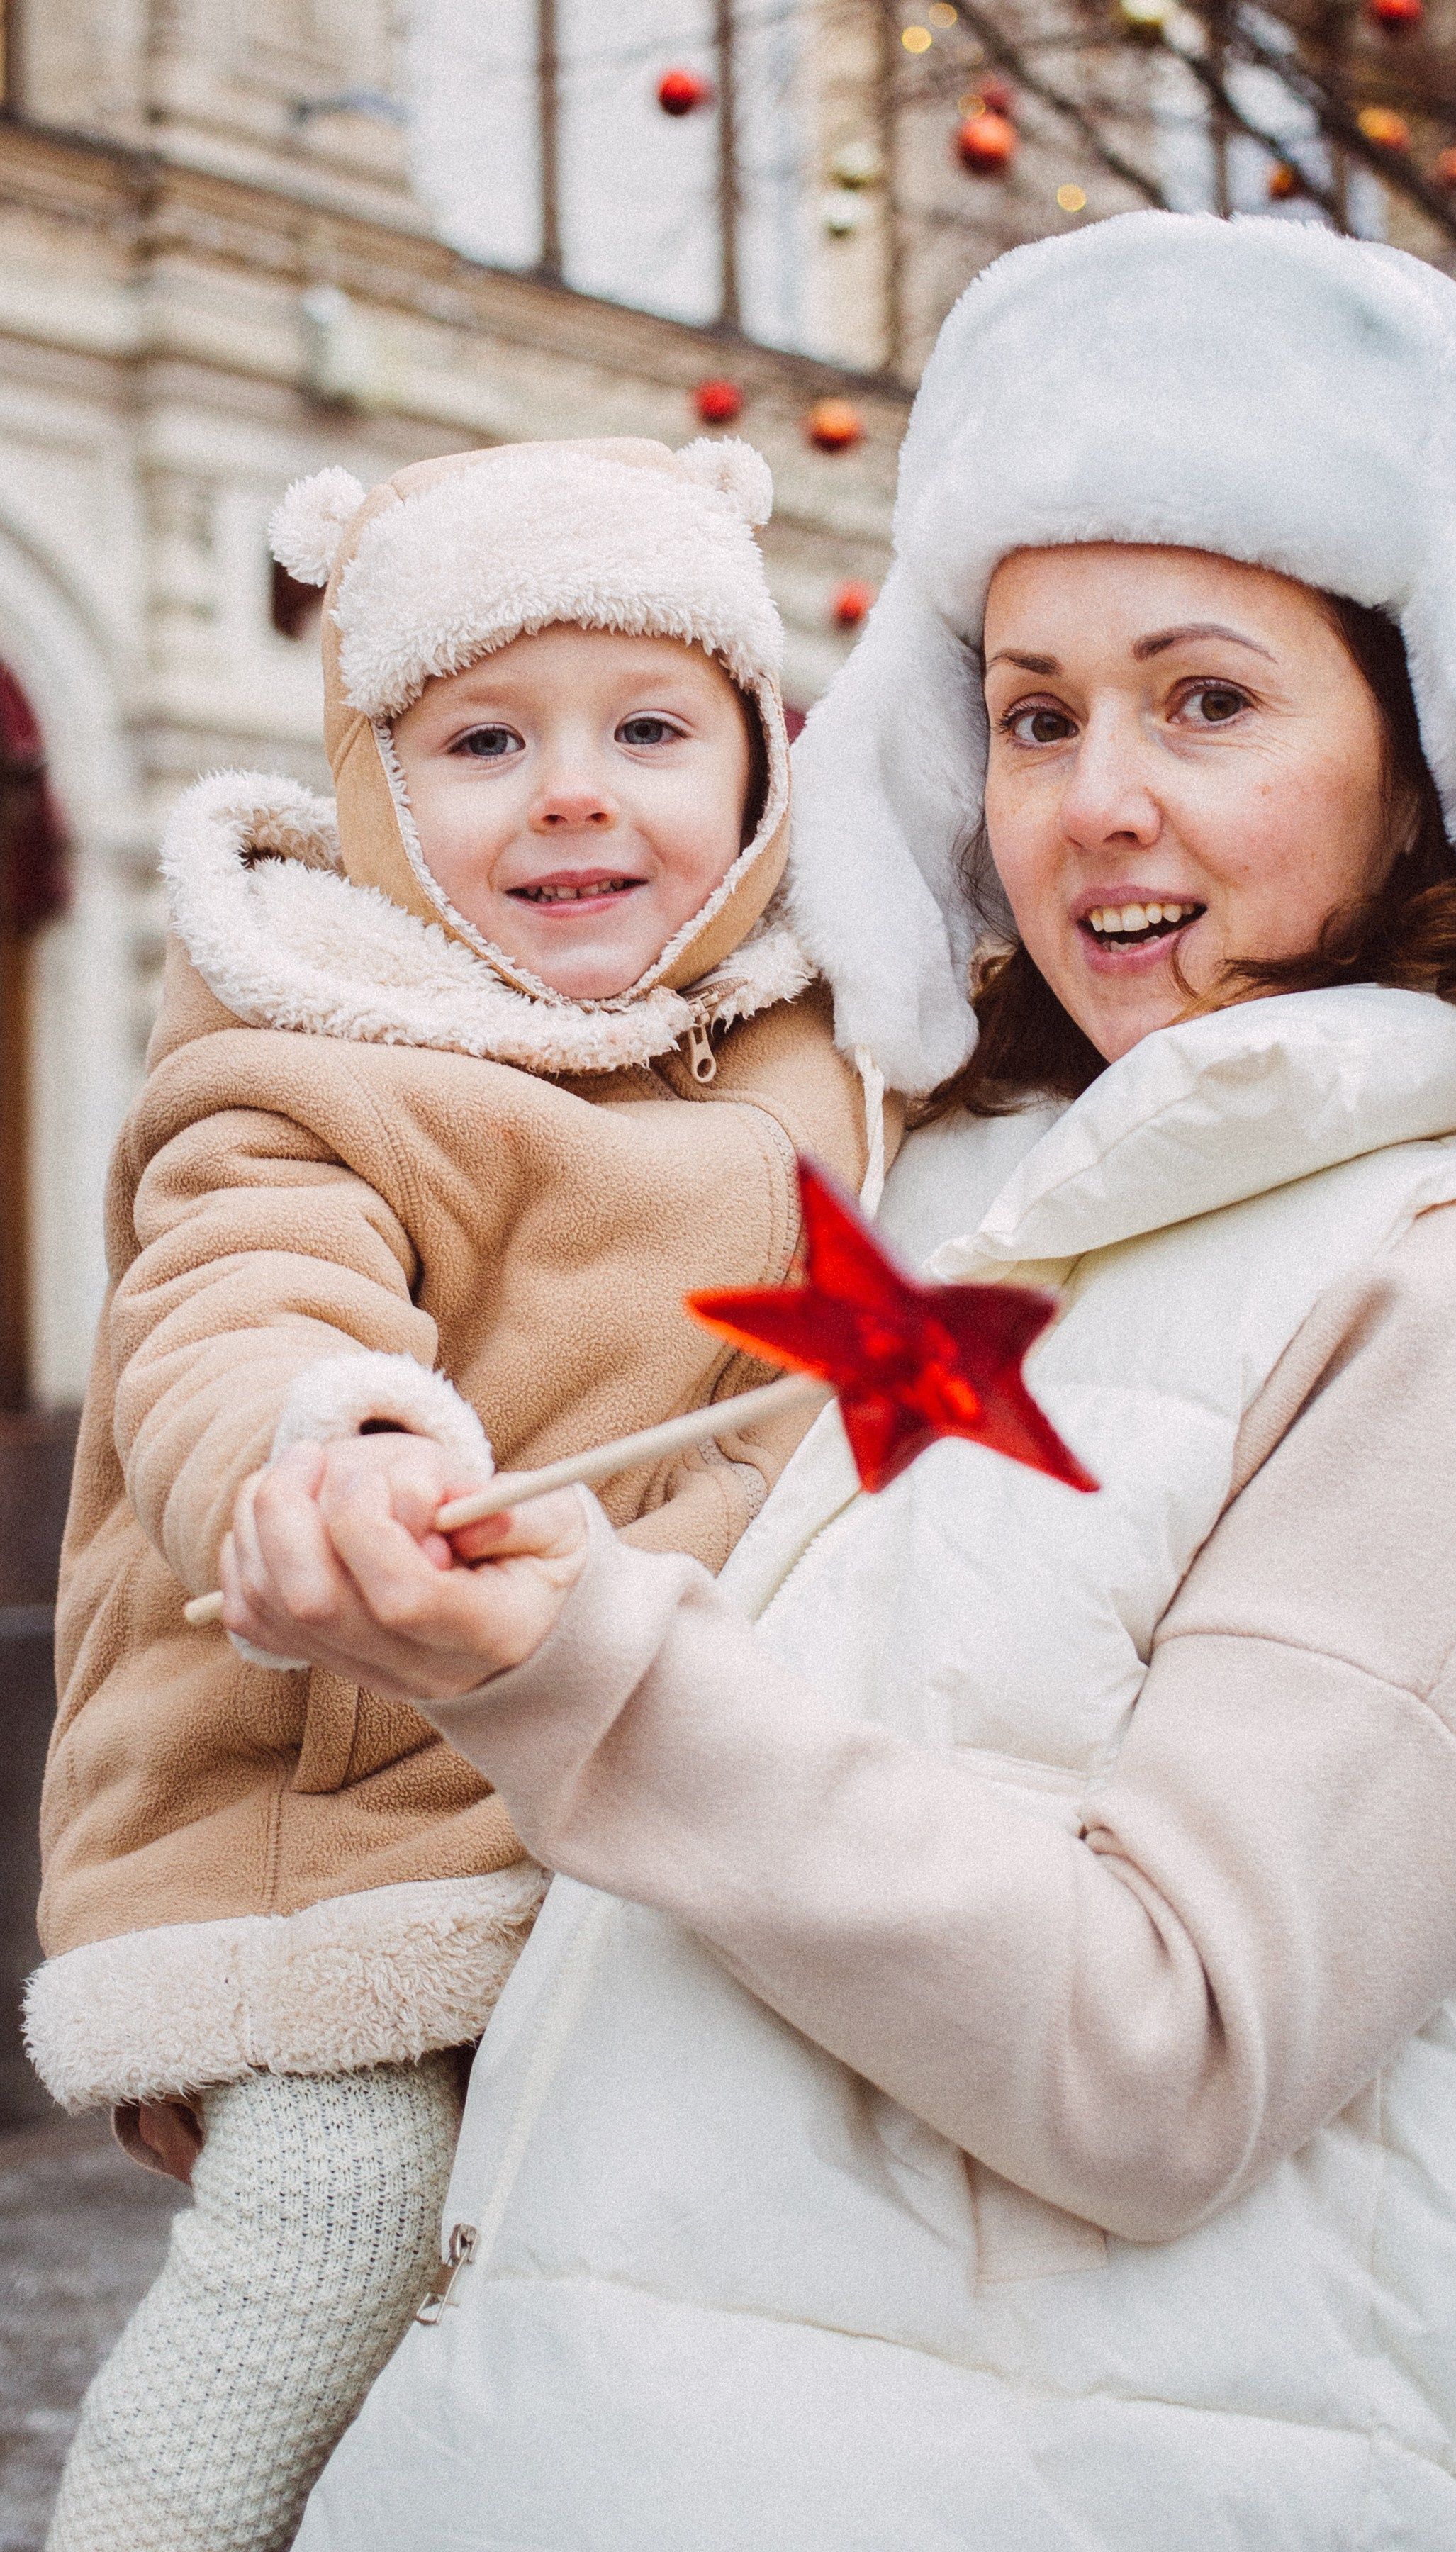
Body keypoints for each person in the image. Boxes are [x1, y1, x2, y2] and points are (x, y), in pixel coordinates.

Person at [252, 217, 1456, 2551]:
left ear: (1427, 759)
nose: (1096, 798)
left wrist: (579, 1672)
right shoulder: (949, 1205)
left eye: (1207, 700)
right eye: (1036, 711)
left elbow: (1161, 2052)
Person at [31, 435, 880, 2552]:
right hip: (330, 1815)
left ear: (765, 769)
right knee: (340, 2215)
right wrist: (334, 1437)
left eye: (651, 728)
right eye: (486, 737)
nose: (574, 790)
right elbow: (230, 1303)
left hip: (638, 1804)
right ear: (383, 788)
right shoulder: (317, 1049)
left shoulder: (823, 1038)